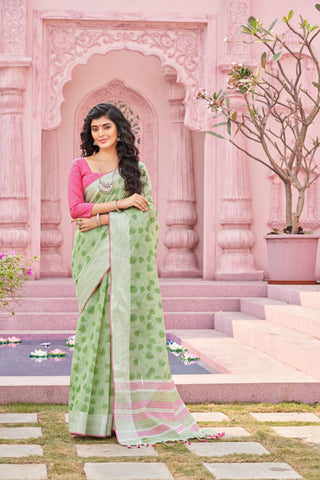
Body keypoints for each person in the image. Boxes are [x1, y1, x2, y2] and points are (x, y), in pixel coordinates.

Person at [67, 103, 222, 446]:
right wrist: (119, 204)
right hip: (92, 260)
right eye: (95, 129)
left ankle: (128, 414)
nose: (101, 134)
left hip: (124, 264)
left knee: (124, 330)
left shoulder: (135, 169)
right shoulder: (80, 165)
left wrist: (101, 218)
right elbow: (76, 210)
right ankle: (91, 419)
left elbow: (145, 217)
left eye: (106, 127)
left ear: (119, 129)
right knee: (95, 329)